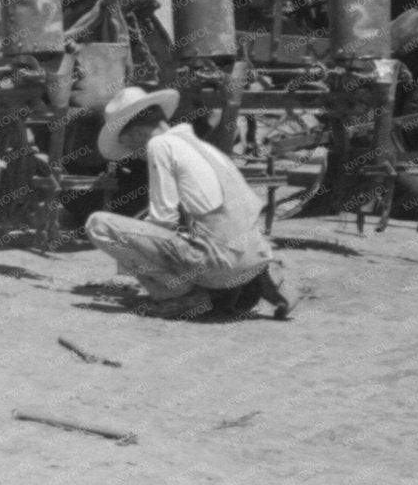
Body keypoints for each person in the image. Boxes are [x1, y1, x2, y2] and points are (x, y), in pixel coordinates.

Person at [84, 85, 295, 320]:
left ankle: (178, 295)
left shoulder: (159, 145)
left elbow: (163, 220)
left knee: (98, 224)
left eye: (130, 146)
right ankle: (259, 282)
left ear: (135, 134)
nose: (134, 154)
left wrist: (131, 261)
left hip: (223, 265)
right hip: (256, 257)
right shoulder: (203, 147)